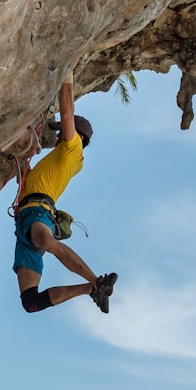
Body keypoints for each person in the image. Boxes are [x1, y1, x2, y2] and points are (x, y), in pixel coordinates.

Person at [11, 69, 116, 314]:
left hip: (38, 213)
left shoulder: (73, 150)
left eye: (61, 131)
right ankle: (92, 289)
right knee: (31, 303)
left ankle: (97, 282)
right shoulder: (60, 158)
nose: (58, 135)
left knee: (47, 241)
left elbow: (67, 112)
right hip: (26, 223)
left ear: (76, 136)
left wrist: (66, 74)